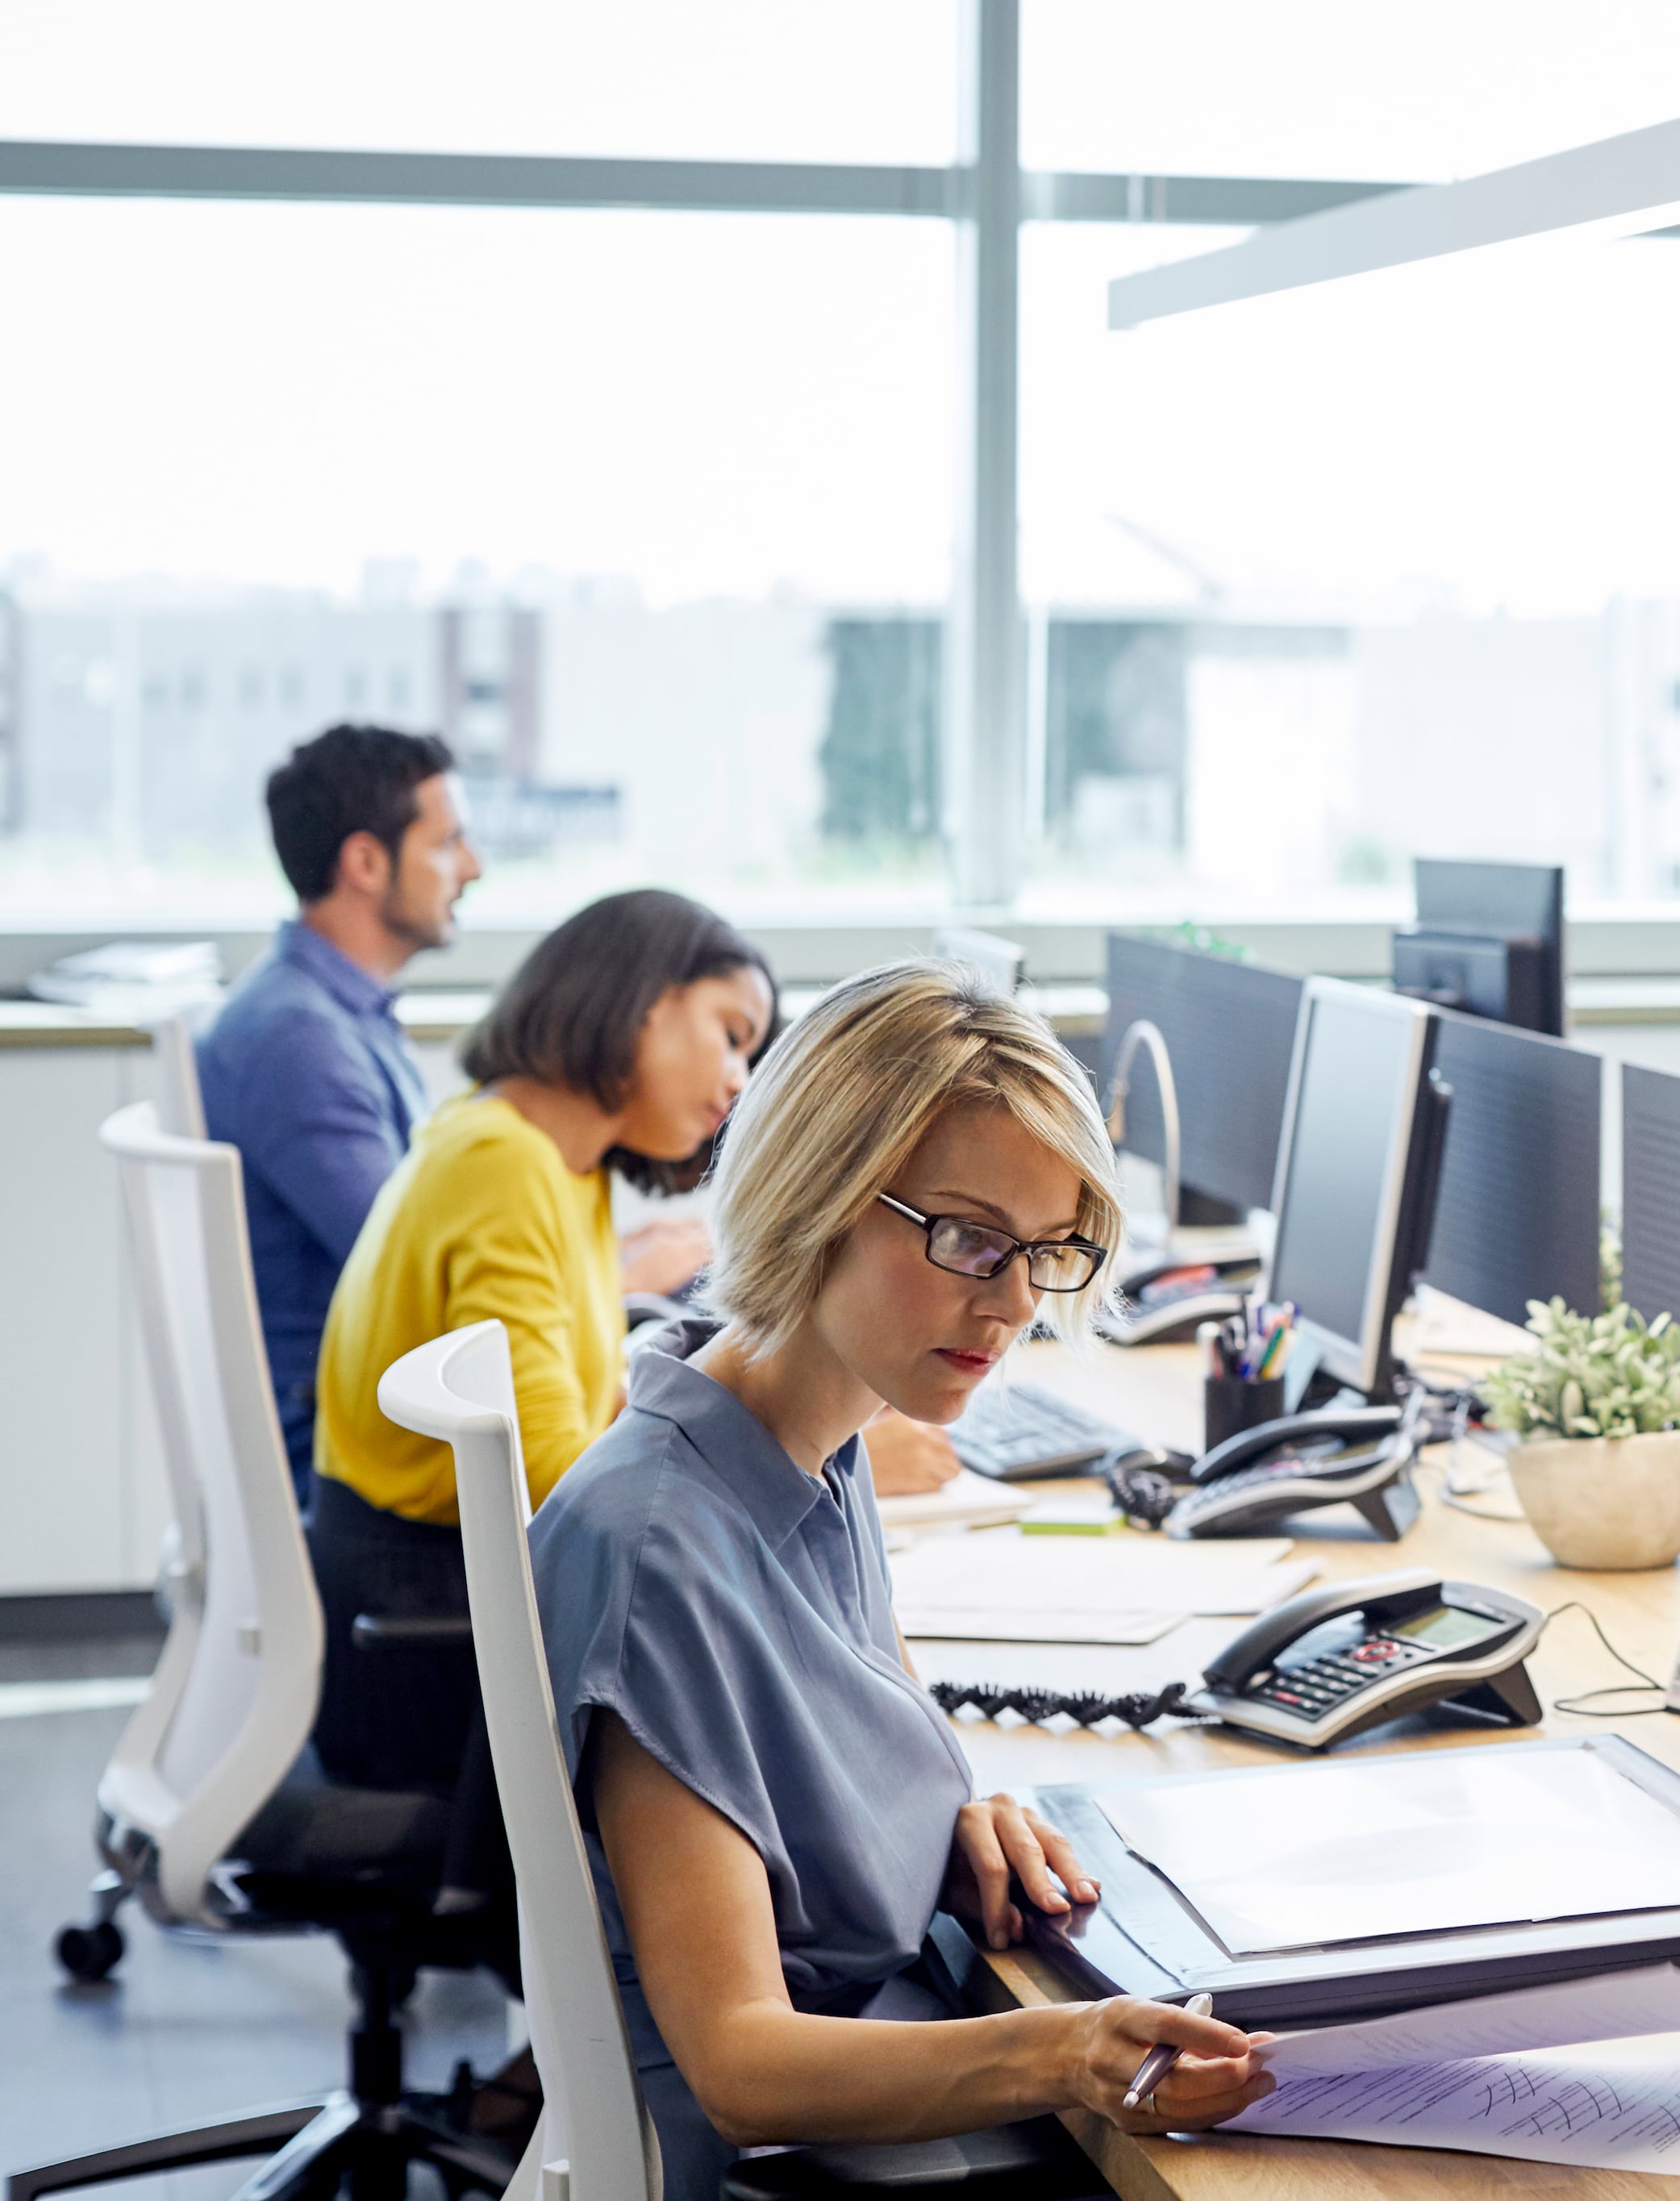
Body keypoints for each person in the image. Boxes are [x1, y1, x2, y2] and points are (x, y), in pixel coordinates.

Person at [535, 961, 1270, 2187]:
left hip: (880, 2048)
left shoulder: (816, 1431)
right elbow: (741, 2060)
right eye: (971, 1239)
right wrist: (1068, 2051)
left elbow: (842, 1736)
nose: (1015, 1303)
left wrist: (949, 1810)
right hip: (779, 2152)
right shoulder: (658, 1546)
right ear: (815, 1193)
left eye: (1048, 1250)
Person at [306, 890, 776, 1817]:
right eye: (730, 1035)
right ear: (643, 998)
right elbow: (558, 1484)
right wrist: (780, 1459)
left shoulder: (556, 1162)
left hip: (446, 1604)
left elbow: (583, 1414)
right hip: (421, 1644)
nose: (738, 1081)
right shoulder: (504, 1164)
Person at [197, 724, 481, 1492]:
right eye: (448, 842)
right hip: (338, 1457)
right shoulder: (299, 1038)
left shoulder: (328, 1012)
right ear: (364, 861)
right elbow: (414, 1273)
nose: (473, 867)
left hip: (354, 1415)